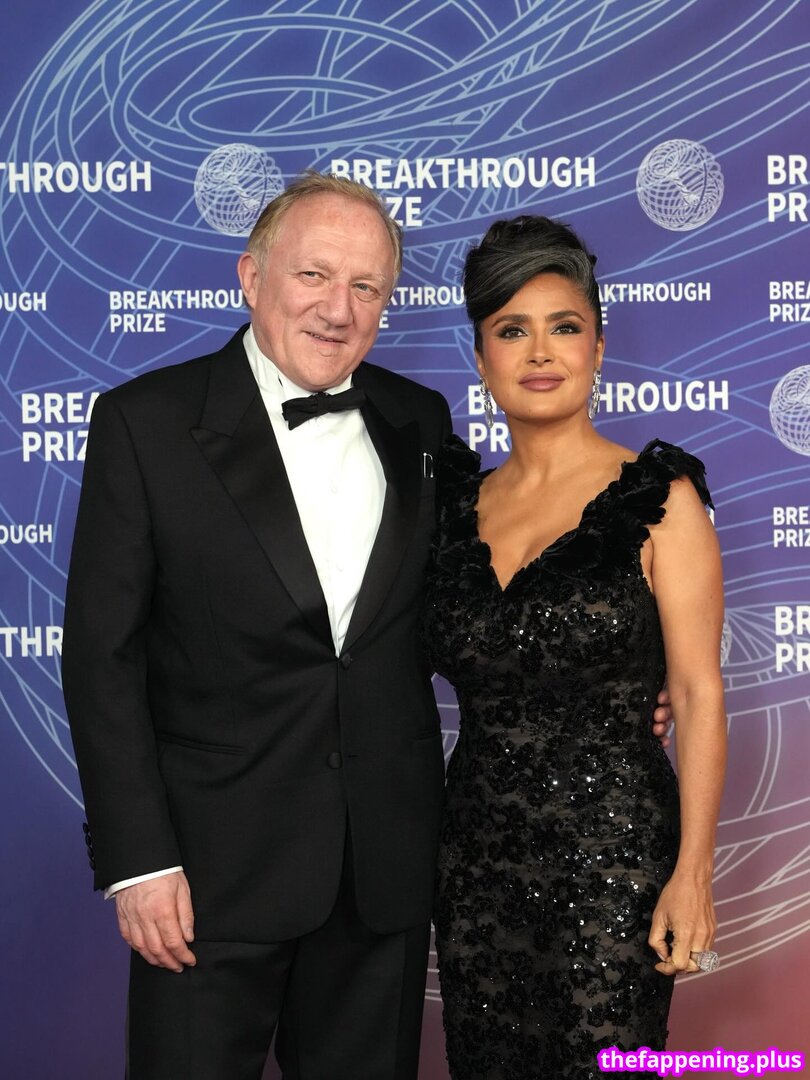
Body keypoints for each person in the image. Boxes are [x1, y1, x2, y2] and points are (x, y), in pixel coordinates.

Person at [62, 175, 674, 1079]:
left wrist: (616, 686)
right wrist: (138, 863)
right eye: (314, 275)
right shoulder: (144, 423)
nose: (338, 309)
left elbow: (493, 594)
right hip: (206, 877)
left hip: (383, 873)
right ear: (252, 276)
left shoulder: (418, 421)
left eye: (366, 286)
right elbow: (100, 660)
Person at [422, 215, 727, 1079]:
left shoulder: (659, 499)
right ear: (481, 358)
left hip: (616, 860)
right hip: (473, 864)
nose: (539, 352)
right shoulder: (450, 508)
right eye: (510, 330)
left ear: (598, 346)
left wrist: (693, 873)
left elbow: (698, 693)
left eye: (564, 326)